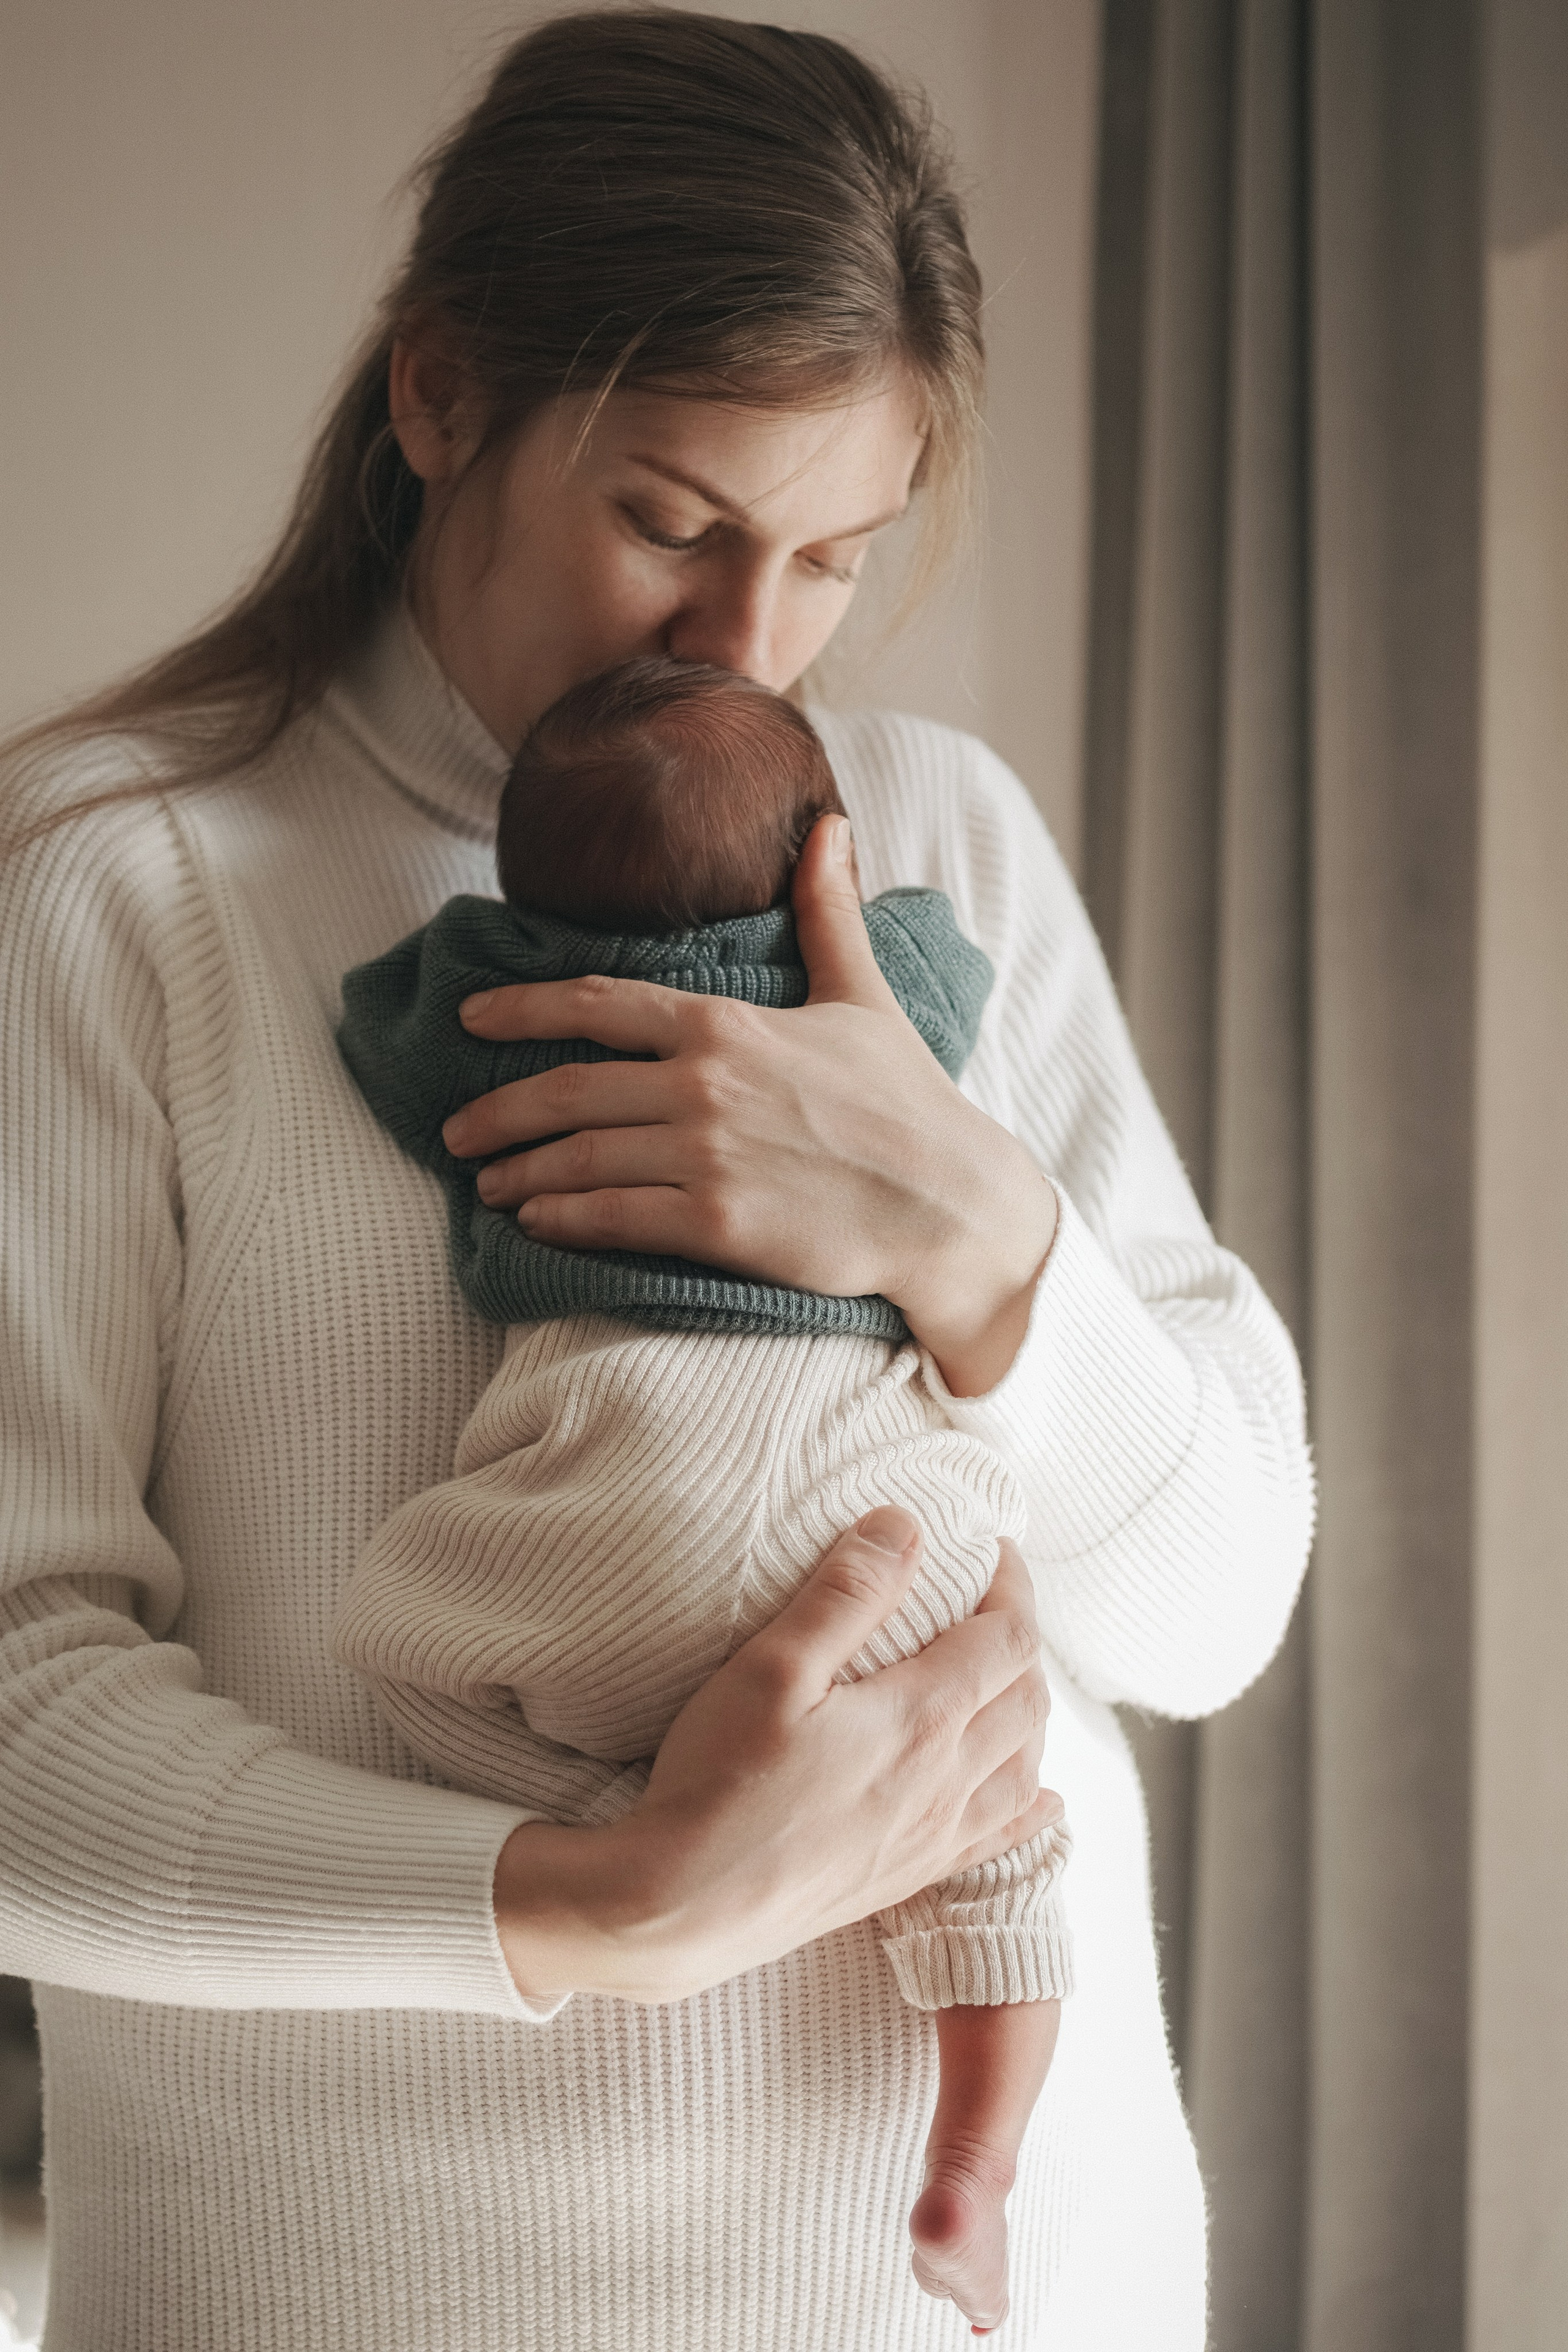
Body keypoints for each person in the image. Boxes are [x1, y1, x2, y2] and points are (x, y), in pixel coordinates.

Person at [0, 13, 1314, 2350]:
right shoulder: (125, 895)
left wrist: (975, 1235)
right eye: (675, 527)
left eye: (831, 557)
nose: (750, 647)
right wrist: (592, 1902)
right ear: (435, 396)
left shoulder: (932, 846)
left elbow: (1209, 1618)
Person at [333, 656, 1077, 2335]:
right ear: (826, 849)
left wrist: (473, 956)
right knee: (1001, 1828)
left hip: (621, 1476)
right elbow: (947, 982)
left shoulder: (488, 1003)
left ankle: (624, 1814)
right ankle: (976, 2153)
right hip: (883, 1511)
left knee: (398, 1643)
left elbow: (380, 1043)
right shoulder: (884, 981)